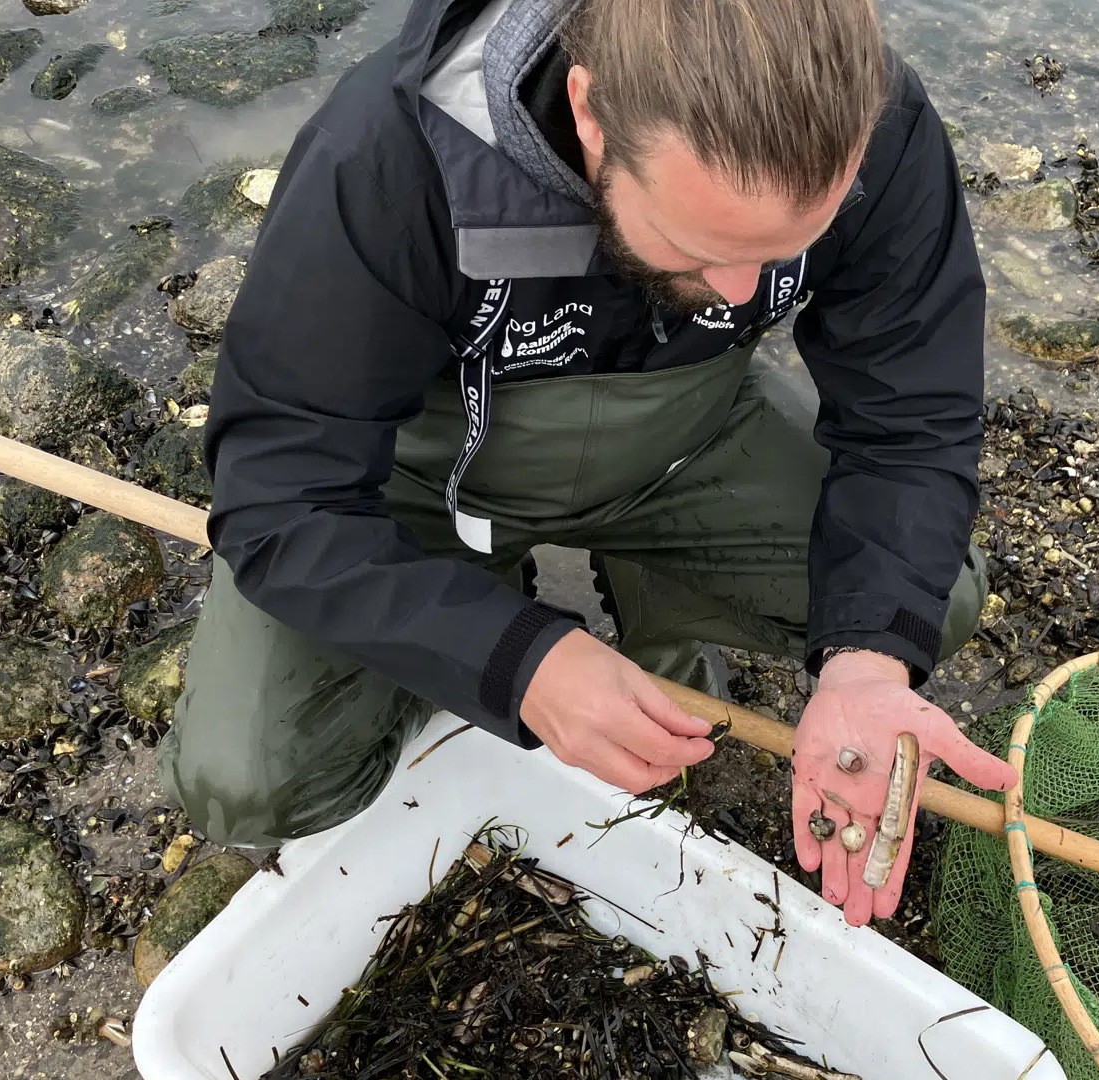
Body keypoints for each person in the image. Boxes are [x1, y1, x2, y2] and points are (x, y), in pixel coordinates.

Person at [161, 0, 1017, 927]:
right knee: (244, 779)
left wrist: (865, 670)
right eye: (703, 250)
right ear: (589, 112)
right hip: (426, 483)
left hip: (687, 442)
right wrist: (514, 659)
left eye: (784, 252)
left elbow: (913, 421)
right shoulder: (389, 158)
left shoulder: (877, 123)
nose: (741, 292)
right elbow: (282, 499)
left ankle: (663, 593)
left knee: (923, 605)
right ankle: (470, 615)